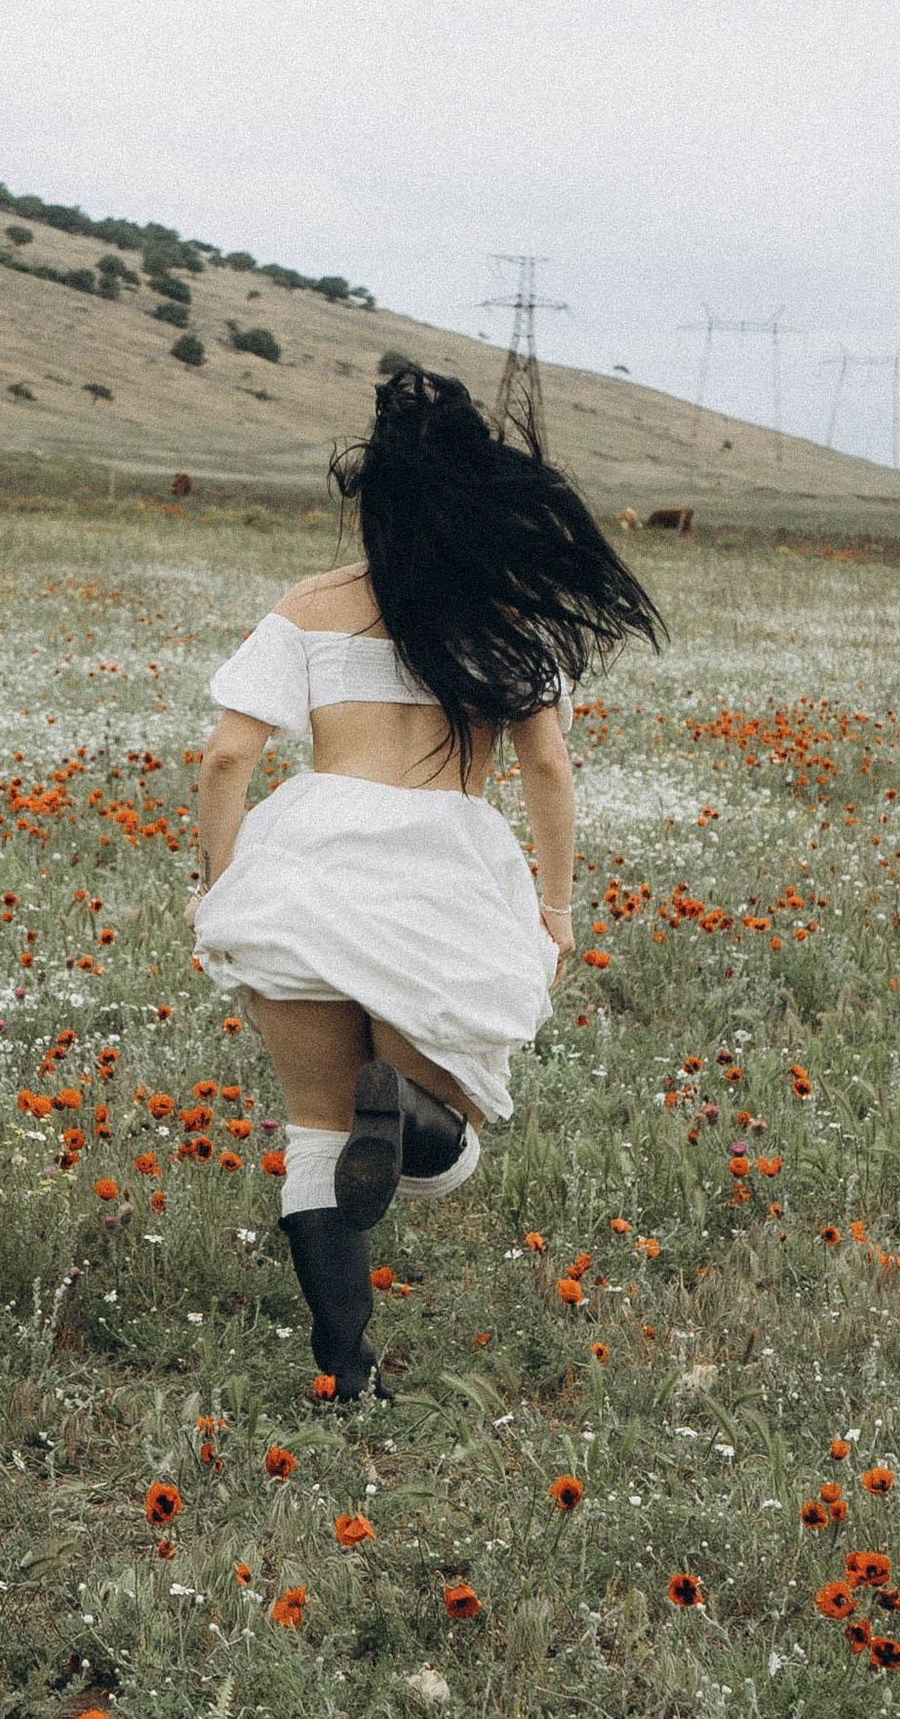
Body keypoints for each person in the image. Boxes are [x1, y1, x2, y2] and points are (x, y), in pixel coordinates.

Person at [190, 365, 663, 1400]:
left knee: (316, 1134)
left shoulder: (309, 606)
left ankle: (346, 1379)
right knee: (437, 1142)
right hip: (439, 875)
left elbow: (227, 758)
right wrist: (555, 905)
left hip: (303, 870)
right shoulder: (504, 616)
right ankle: (409, 1115)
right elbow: (546, 769)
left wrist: (221, 885)